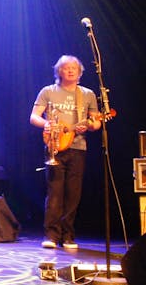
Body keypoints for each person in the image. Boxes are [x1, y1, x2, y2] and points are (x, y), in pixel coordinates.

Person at [29, 55, 101, 250]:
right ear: (59, 71)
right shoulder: (48, 91)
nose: (70, 71)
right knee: (54, 192)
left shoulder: (87, 94)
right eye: (66, 68)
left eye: (74, 68)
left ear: (79, 72)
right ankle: (51, 235)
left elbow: (96, 122)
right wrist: (48, 124)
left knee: (73, 194)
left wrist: (91, 126)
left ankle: (68, 236)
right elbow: (34, 117)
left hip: (78, 147)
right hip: (55, 146)